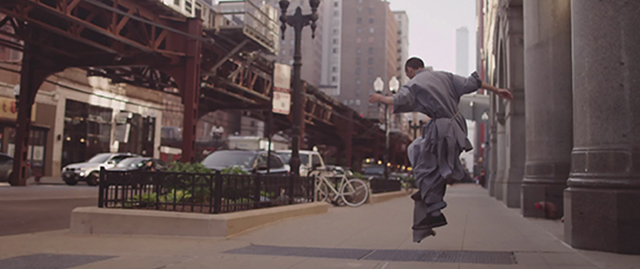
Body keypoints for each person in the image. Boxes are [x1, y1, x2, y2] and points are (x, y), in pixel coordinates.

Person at [369, 57, 513, 243]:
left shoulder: (415, 83)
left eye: (407, 74)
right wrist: (497, 90)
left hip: (442, 129)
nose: (408, 77)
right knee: (424, 158)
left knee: (422, 160)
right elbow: (474, 82)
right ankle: (427, 217)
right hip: (456, 125)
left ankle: (433, 209)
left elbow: (400, 98)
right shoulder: (444, 76)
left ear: (410, 70)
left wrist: (380, 98)